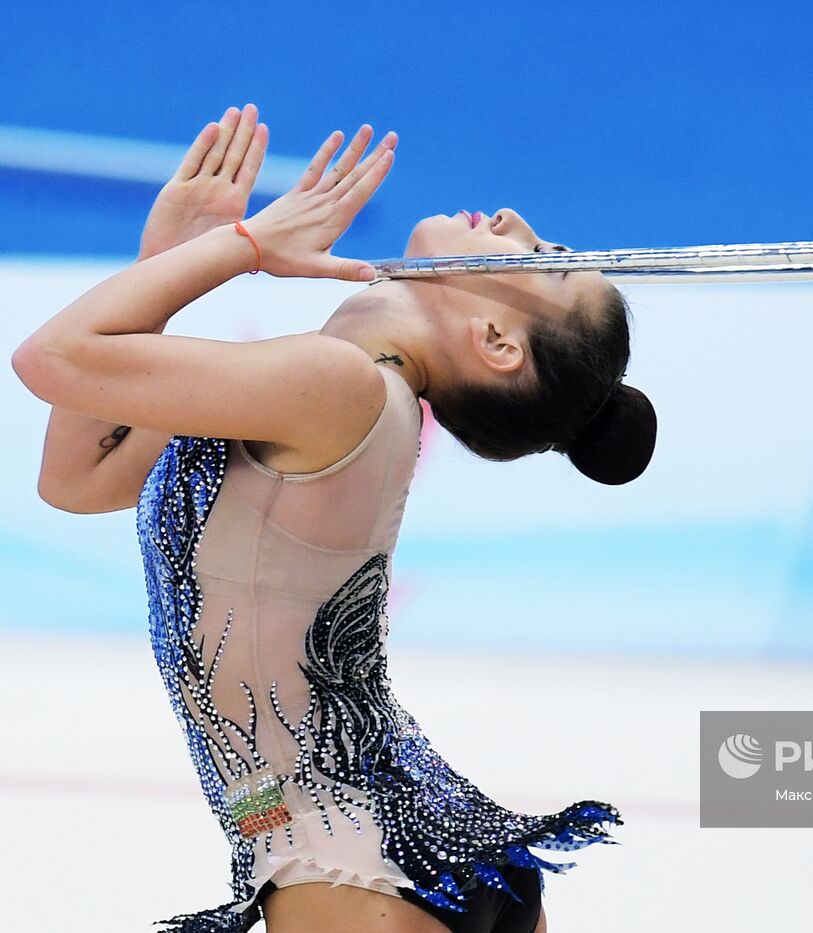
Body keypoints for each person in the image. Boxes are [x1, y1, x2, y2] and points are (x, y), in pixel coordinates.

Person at [11, 104, 651, 933]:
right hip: (393, 849)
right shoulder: (328, 383)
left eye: (545, 262)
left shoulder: (337, 386)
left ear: (495, 339)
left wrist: (238, 250)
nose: (516, 223)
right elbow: (78, 477)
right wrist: (167, 260)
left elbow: (46, 358)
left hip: (348, 872)